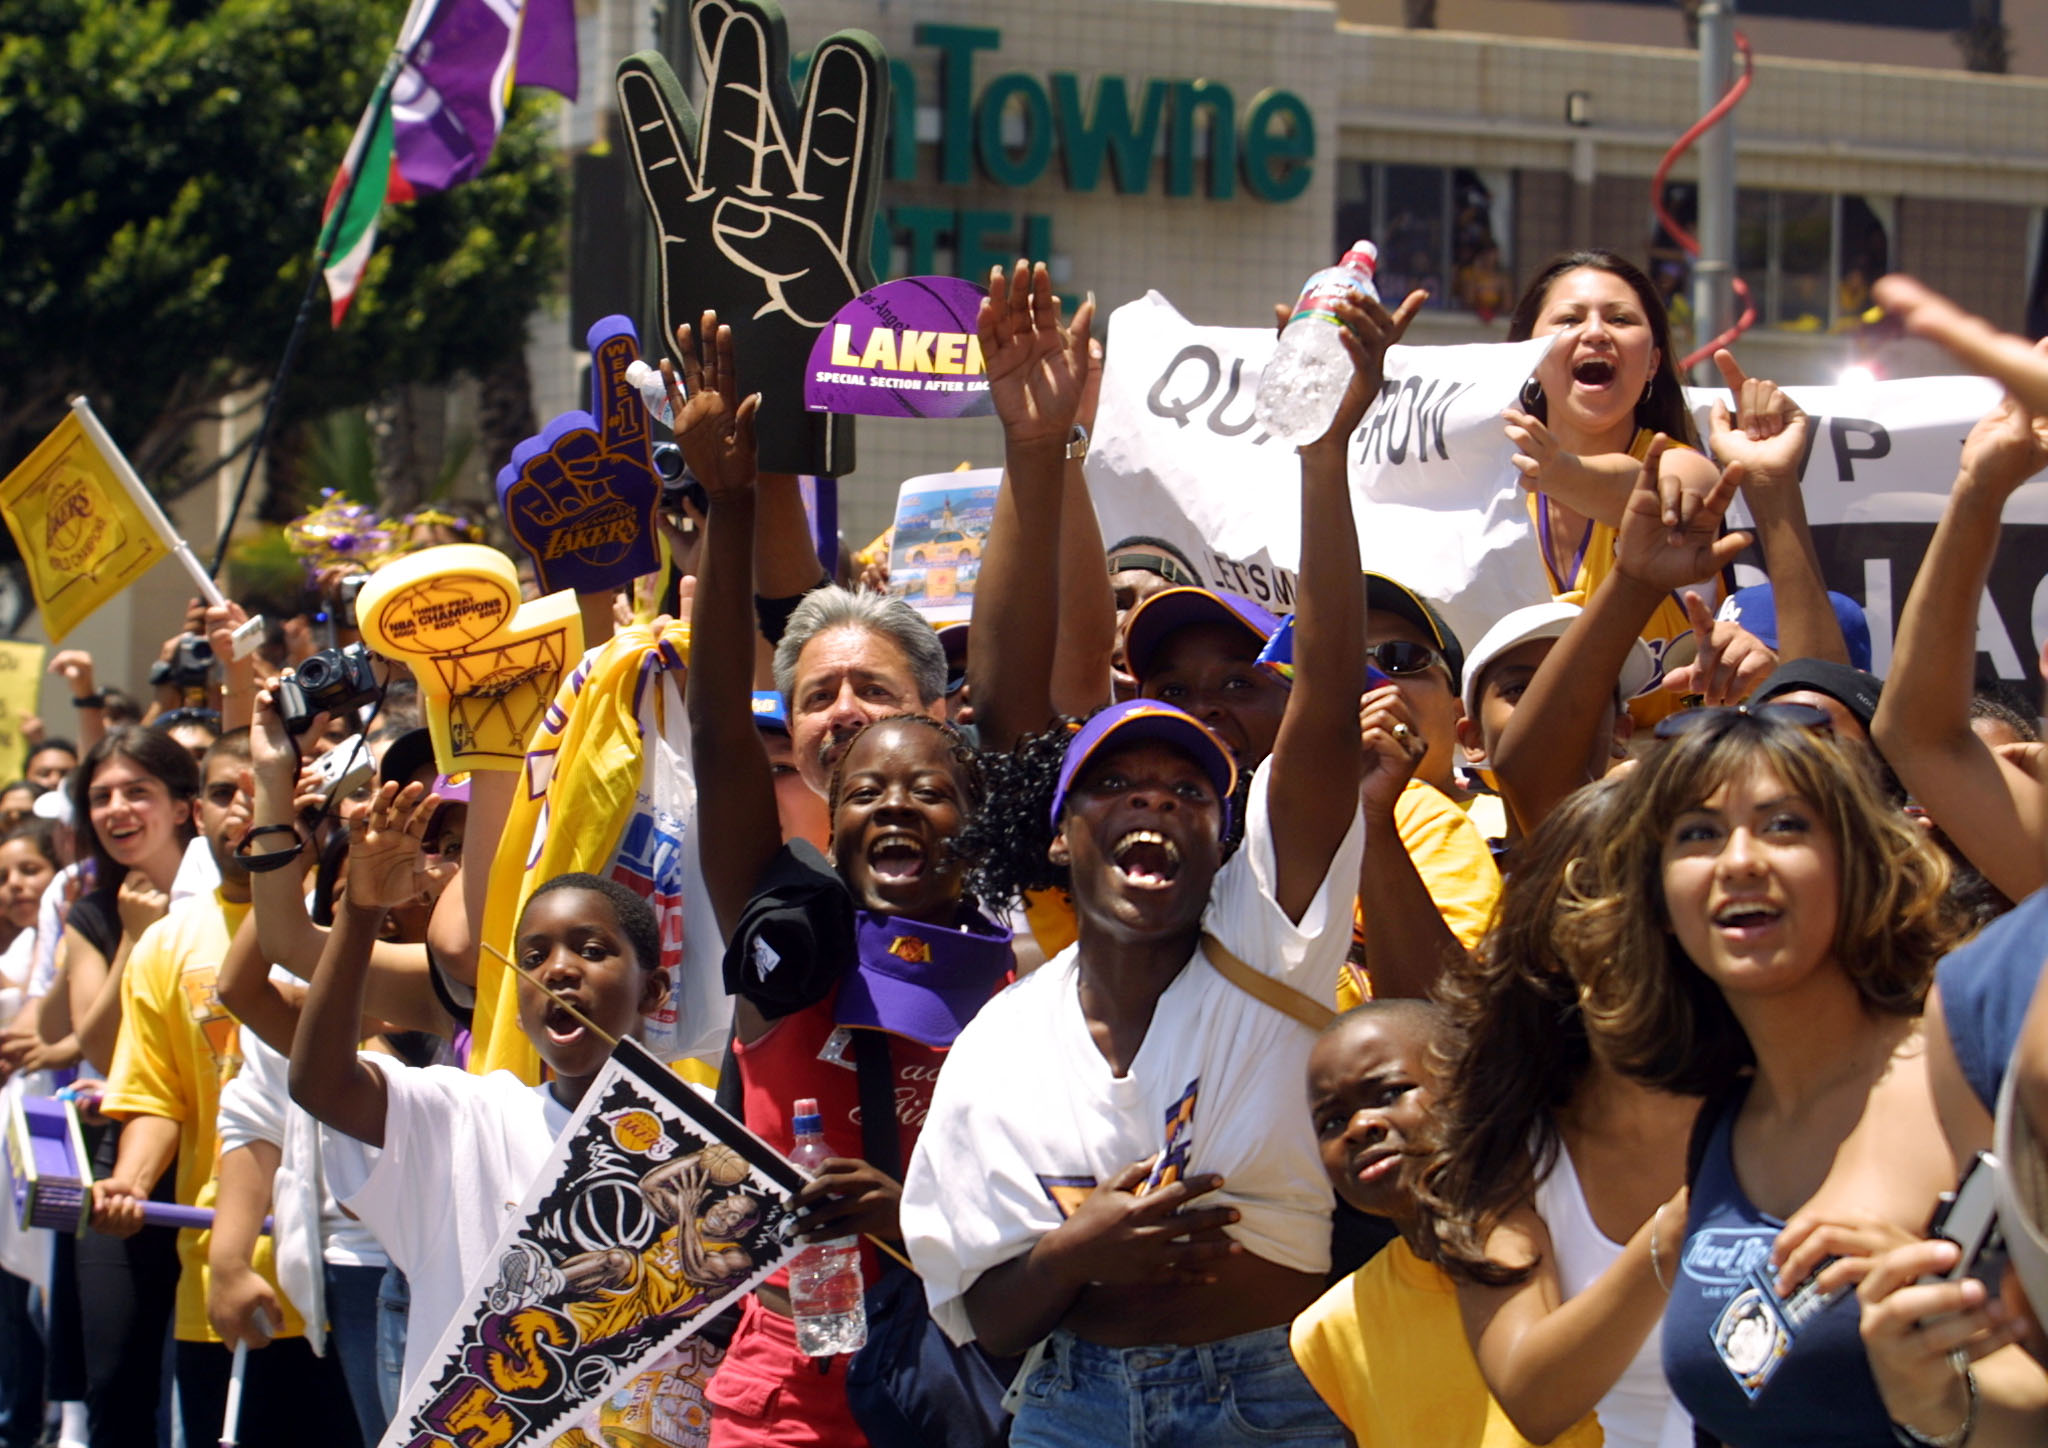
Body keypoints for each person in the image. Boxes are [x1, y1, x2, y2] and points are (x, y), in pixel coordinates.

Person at [902, 272, 1393, 1446]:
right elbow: (986, 1316)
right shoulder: (1001, 1044)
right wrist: (1077, 1251)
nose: (1153, 809)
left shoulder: (1270, 933)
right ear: (1057, 839)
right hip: (1071, 1408)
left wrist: (1322, 458)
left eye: (1186, 792)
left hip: (1273, 1397)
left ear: (1227, 836)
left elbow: (1323, 694)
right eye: (1115, 787)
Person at [674, 310, 1012, 1446]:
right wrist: (724, 506)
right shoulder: (782, 914)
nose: (846, 718)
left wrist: (909, 1224)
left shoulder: (1026, 941)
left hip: (967, 1398)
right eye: (817, 699)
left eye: (873, 690)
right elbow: (719, 730)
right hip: (785, 1408)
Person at [1567, 705, 2042, 1445]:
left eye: (1784, 825)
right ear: (1658, 902)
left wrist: (1948, 1383)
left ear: (1856, 865)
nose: (1740, 861)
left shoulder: (1966, 1073)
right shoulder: (1722, 1121)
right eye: (1697, 834)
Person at [90, 729, 357, 1448]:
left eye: (258, 791)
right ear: (194, 812)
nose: (239, 809)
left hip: (353, 1278)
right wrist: (128, 1183)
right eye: (220, 793)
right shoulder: (165, 943)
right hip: (227, 1283)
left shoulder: (347, 917)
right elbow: (155, 1097)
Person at [1418, 777, 1697, 1448]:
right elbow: (1533, 1398)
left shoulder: (1798, 1088)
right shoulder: (1510, 1146)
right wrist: (1685, 1228)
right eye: (1625, 909)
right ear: (1552, 942)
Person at [1292, 998, 1601, 1448]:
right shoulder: (1330, 1327)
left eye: (1390, 1093)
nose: (1360, 1126)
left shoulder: (1587, 1245)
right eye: (1332, 1121)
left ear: (1471, 1087)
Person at [1501, 250, 1726, 722]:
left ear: (1652, 364)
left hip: (1663, 775)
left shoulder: (1685, 467)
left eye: (1621, 319)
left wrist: (1563, 472)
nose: (1596, 332)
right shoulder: (1483, 480)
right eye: (1569, 318)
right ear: (1526, 356)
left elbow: (1654, 500)